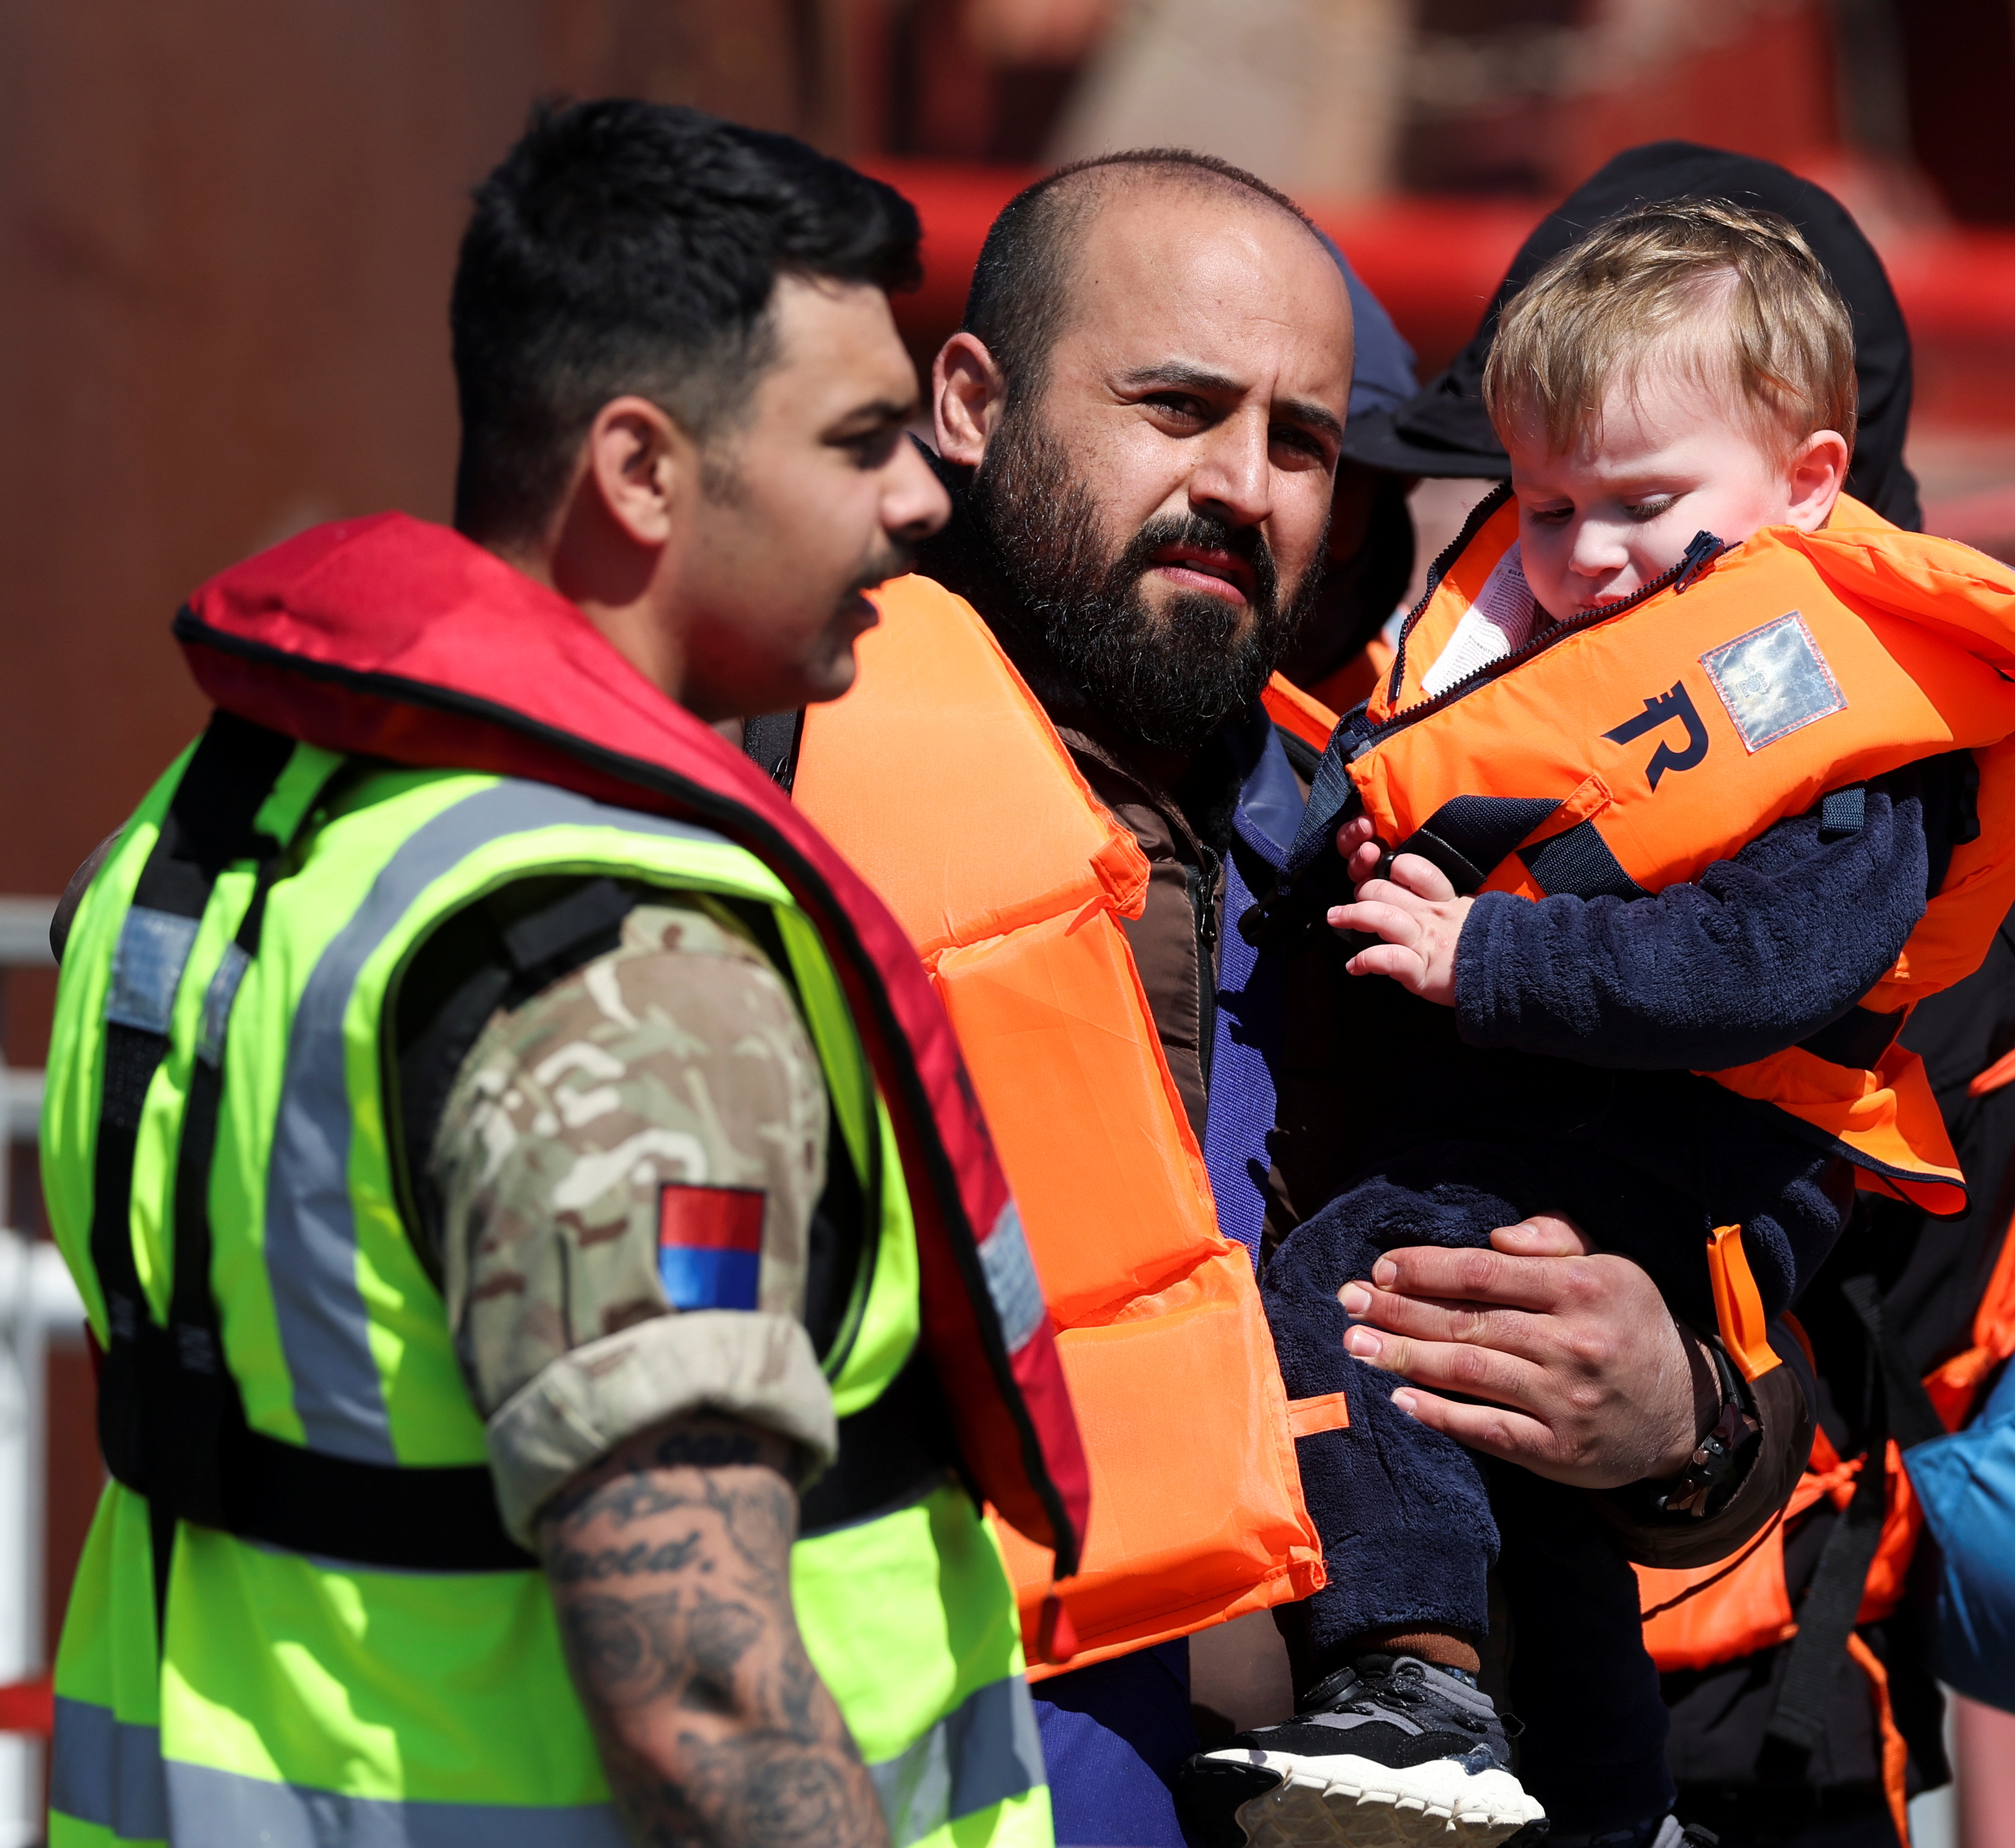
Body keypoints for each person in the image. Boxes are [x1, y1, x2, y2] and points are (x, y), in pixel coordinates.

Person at [40, 101, 1087, 1848]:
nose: (925, 496)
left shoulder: (215, 835)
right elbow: (703, 1702)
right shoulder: (621, 973)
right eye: (861, 440)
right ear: (641, 472)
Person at [770, 148, 1812, 1848]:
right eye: (1174, 406)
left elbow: (1750, 1345)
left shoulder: (1426, 856)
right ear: (970, 399)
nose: (1242, 485)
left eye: (1301, 440)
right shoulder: (757, 780)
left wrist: (1681, 1413)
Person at [1186, 198, 2015, 1848]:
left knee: (1352, 1286)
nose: (1589, 556)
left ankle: (1411, 1691)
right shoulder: (1543, 676)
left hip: (1721, 1266)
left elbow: (1769, 964)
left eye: (1644, 505)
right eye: (1545, 509)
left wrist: (1490, 962)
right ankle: (1596, 1800)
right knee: (1528, 1490)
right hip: (1605, 1209)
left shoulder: (1838, 706)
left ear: (1813, 482)